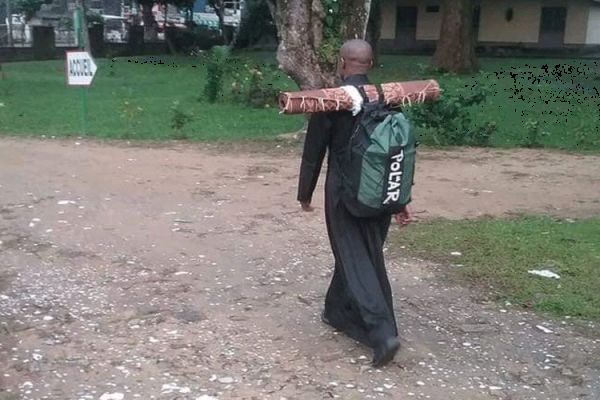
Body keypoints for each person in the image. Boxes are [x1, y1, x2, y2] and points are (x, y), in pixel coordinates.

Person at [297, 39, 411, 367]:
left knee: (356, 259)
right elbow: (397, 153)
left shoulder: (331, 100)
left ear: (342, 63)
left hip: (344, 194)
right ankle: (336, 311)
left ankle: (382, 333)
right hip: (381, 193)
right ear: (370, 65)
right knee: (362, 255)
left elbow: (313, 151)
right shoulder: (387, 98)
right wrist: (400, 200)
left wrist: (305, 194)